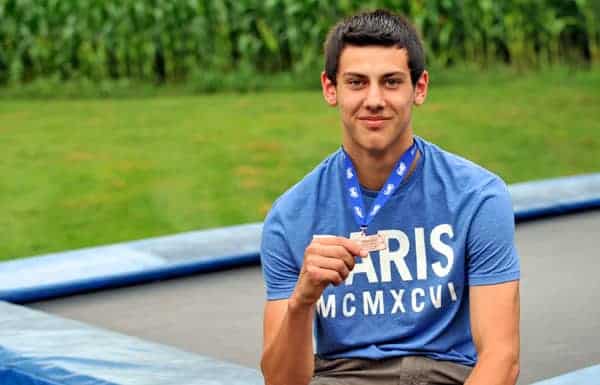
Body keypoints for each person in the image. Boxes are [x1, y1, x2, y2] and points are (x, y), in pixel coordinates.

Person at [259, 9, 520, 385]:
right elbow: (282, 382)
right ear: (330, 89)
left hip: (446, 377)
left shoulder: (477, 197)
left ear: (420, 87)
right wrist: (301, 301)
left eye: (392, 82)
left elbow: (501, 357)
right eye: (357, 82)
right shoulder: (290, 217)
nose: (375, 99)